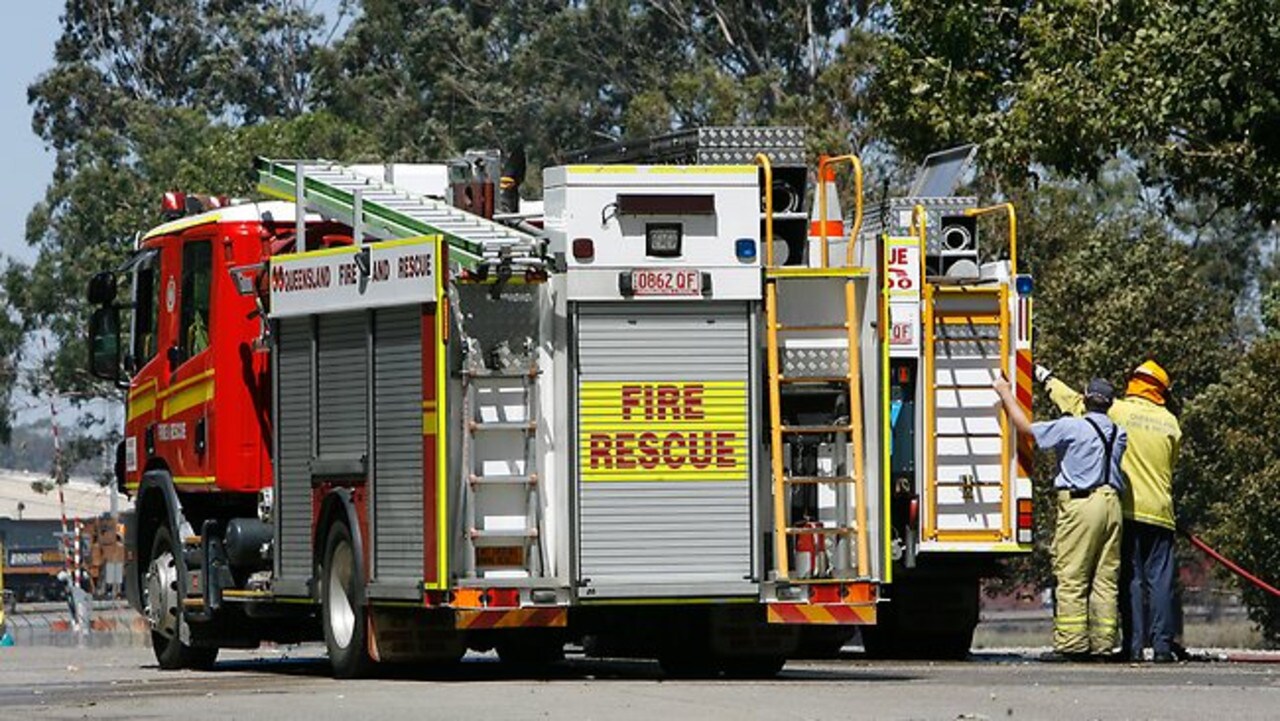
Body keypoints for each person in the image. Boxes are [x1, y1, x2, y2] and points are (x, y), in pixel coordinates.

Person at [1039, 360, 1182, 662]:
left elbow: (1076, 403)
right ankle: (1163, 648)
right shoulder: (1171, 422)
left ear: (1134, 383)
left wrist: (1047, 378)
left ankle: (1132, 648)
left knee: (1129, 579)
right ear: (1162, 391)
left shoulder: (1118, 411)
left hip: (1126, 510)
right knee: (1161, 582)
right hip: (1162, 512)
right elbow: (1170, 467)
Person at [995, 375, 1127, 661]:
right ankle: (1103, 646)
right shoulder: (1119, 432)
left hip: (1081, 505)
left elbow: (1026, 429)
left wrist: (1005, 393)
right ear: (1111, 404)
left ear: (1084, 397)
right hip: (1112, 504)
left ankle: (1072, 645)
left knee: (1072, 576)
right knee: (1105, 580)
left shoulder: (1071, 427)